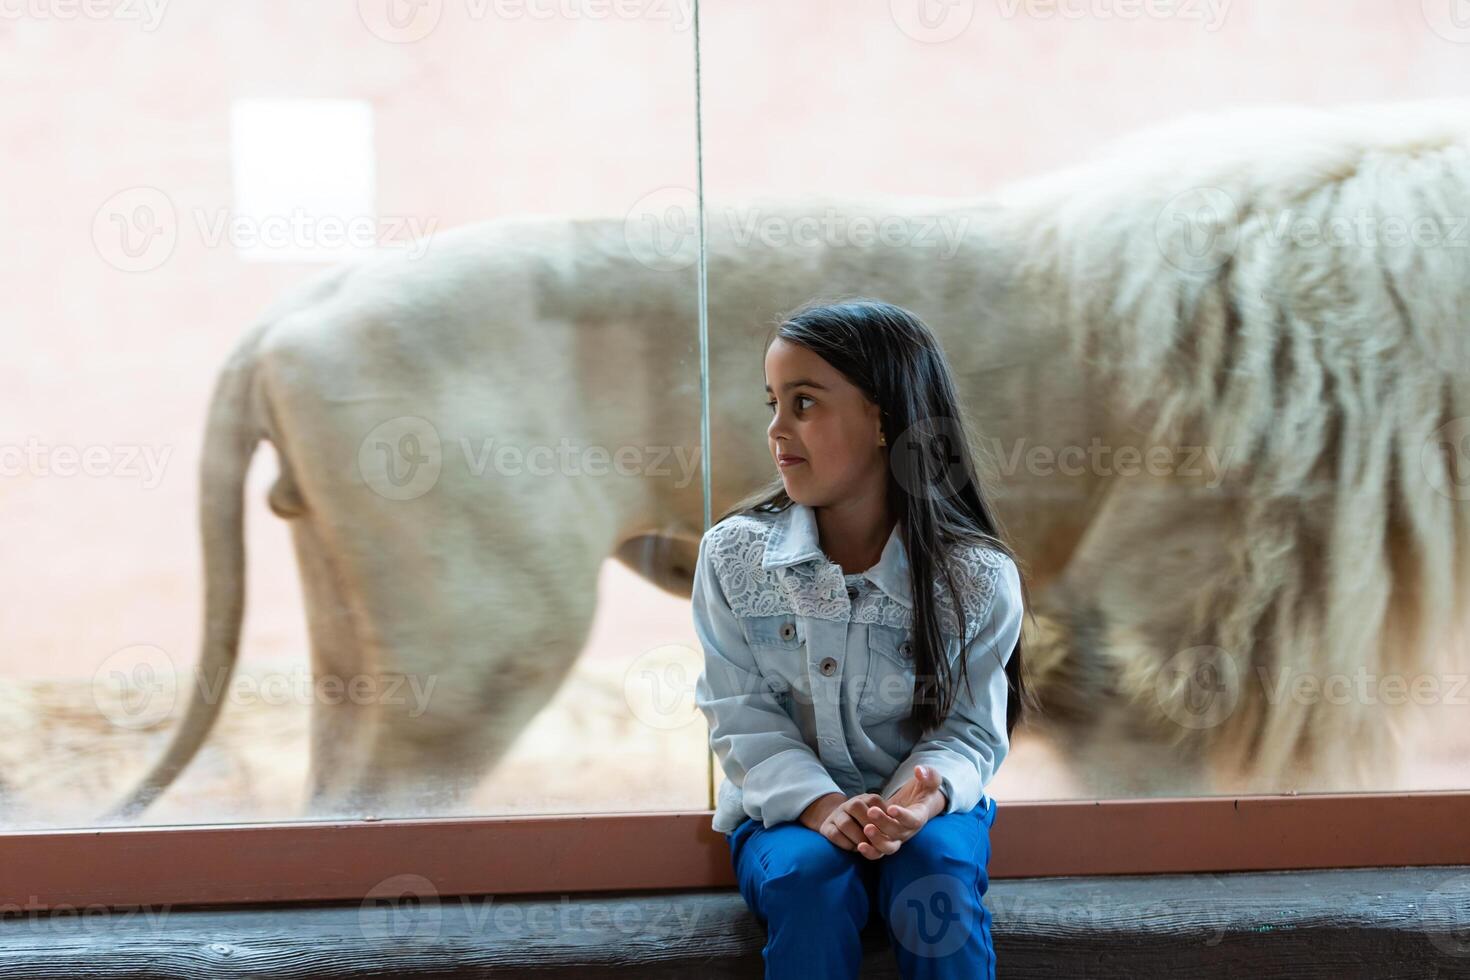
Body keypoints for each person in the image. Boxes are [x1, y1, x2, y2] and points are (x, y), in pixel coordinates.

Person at [692, 298, 1033, 979]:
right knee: (807, 878)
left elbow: (970, 732)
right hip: (786, 818)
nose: (776, 429)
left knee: (933, 874)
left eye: (805, 403)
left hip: (929, 817)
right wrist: (822, 808)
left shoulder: (979, 578)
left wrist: (919, 803)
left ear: (884, 420)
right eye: (773, 403)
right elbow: (740, 718)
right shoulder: (732, 557)